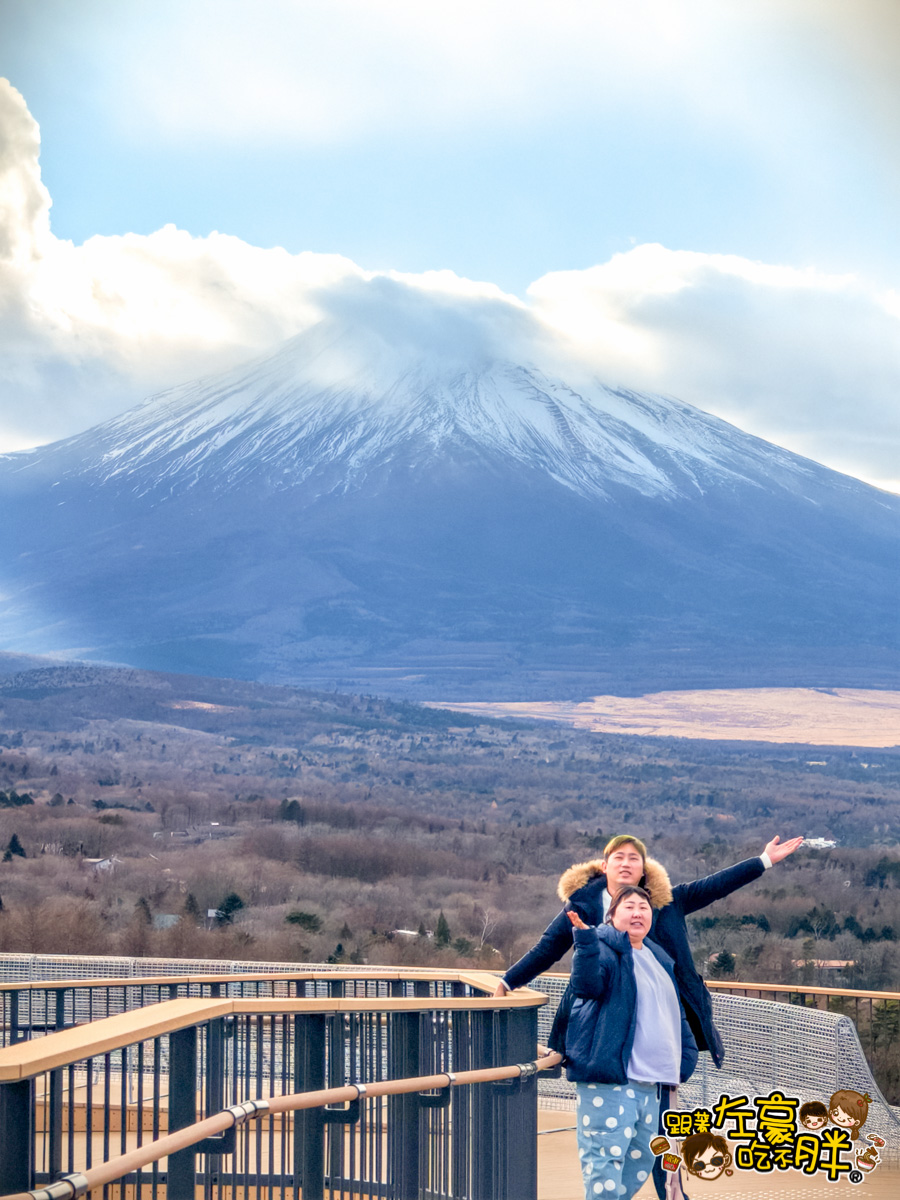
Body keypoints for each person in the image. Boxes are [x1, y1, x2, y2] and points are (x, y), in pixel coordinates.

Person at [496, 831, 802, 1199]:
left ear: (644, 870)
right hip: (608, 1039)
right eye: (619, 857)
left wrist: (763, 860)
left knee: (655, 1139)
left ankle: (672, 1194)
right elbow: (551, 951)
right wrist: (510, 980)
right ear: (603, 865)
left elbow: (713, 887)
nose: (626, 864)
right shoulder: (582, 907)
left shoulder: (663, 904)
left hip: (656, 1039)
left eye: (634, 859)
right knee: (618, 1147)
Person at [557, 887, 698, 1200]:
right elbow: (586, 985)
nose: (638, 912)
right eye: (629, 906)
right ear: (612, 915)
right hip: (610, 1081)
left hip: (651, 1085)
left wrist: (685, 1057)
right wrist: (585, 944)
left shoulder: (658, 957)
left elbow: (674, 1013)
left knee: (638, 1164)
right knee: (604, 1167)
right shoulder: (605, 949)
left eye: (644, 907)